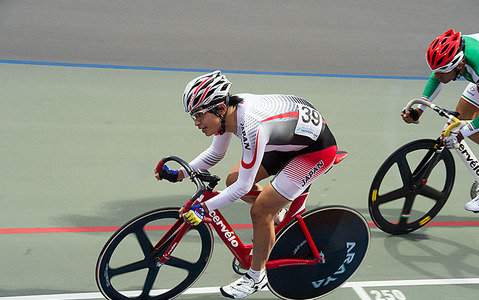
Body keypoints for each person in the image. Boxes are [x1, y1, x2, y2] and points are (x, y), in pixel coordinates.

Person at [155, 70, 338, 299]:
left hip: (315, 152)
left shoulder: (251, 125)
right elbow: (216, 153)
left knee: (261, 210)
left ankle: (256, 277)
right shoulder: (228, 112)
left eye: (199, 115)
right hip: (289, 141)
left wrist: (204, 209)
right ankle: (278, 215)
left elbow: (243, 187)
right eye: (193, 115)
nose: (196, 122)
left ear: (220, 108)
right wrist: (179, 174)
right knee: (233, 179)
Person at [401, 28, 479, 212]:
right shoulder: (453, 57)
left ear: (459, 66)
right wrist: (419, 110)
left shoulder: (474, 65)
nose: (436, 75)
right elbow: (437, 74)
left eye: (441, 72)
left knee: (462, 129)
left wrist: (461, 135)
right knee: (460, 121)